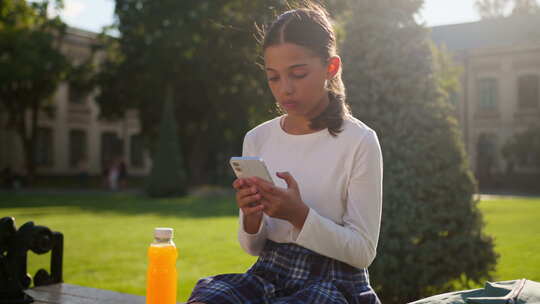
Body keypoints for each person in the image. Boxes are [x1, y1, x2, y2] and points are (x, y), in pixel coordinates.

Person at [188, 4, 383, 304]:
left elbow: (362, 252)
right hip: (269, 273)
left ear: (331, 68)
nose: (285, 90)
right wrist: (251, 217)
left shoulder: (359, 141)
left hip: (333, 281)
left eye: (298, 74)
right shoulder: (258, 138)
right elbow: (252, 247)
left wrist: (299, 215)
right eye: (274, 77)